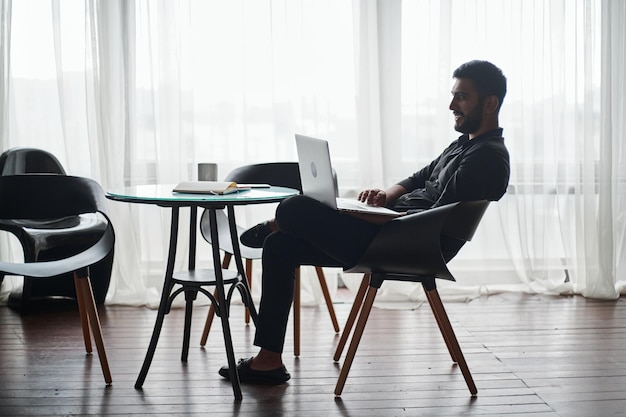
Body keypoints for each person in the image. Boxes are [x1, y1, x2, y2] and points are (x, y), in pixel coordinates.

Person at [218, 60, 510, 384]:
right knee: (279, 247)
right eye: (453, 95)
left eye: (462, 97)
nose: (452, 105)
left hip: (410, 245)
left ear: (490, 103)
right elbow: (420, 177)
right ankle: (268, 361)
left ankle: (277, 222)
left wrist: (374, 219)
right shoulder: (466, 145)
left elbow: (438, 219)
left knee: (294, 209)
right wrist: (385, 198)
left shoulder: (487, 158)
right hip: (394, 232)